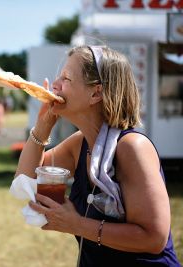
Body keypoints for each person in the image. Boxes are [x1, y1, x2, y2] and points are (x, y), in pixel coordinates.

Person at [15, 45, 181, 266]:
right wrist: (42, 127)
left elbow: (154, 238)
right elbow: (25, 180)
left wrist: (75, 224)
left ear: (96, 93)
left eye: (66, 78)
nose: (55, 85)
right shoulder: (79, 143)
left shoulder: (132, 147)